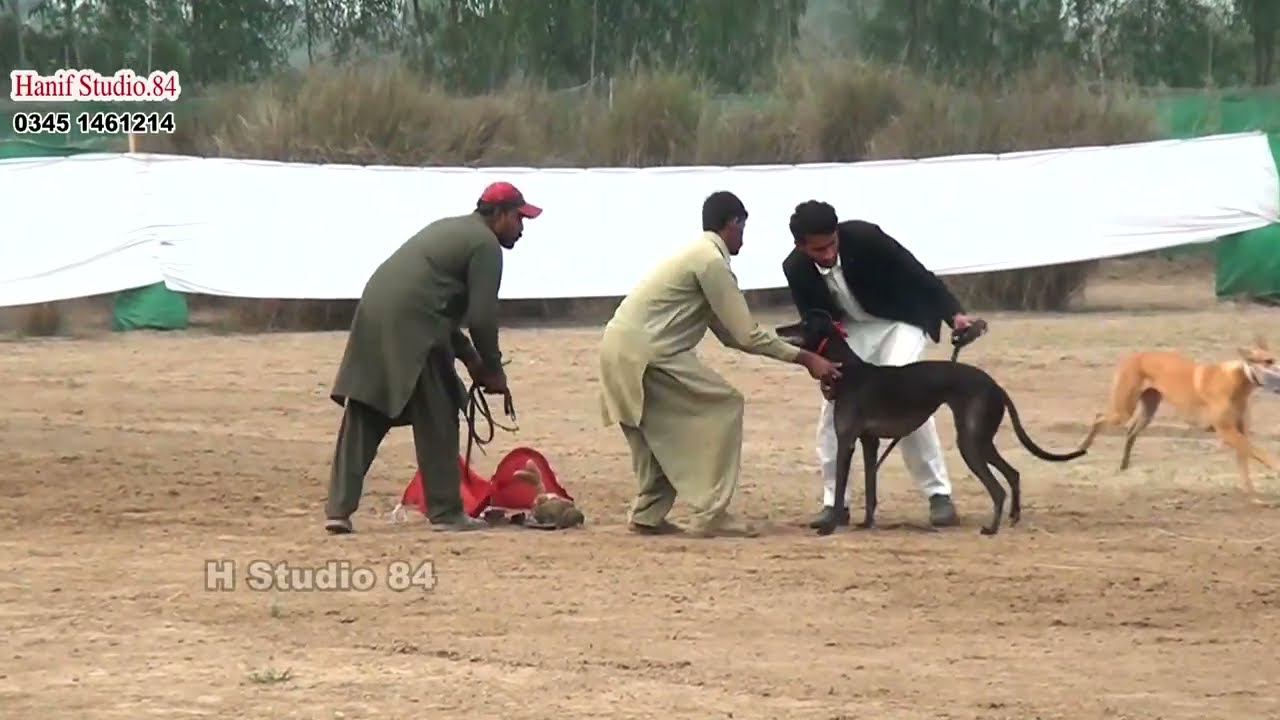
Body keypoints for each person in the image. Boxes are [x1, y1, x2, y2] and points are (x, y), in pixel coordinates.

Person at [599, 190, 843, 538]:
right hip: (649, 354)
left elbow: (730, 334)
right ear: (734, 223)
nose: (745, 236)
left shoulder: (695, 254)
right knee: (724, 405)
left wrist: (794, 348)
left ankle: (648, 512)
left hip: (617, 349)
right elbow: (745, 334)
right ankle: (711, 513)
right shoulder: (712, 262)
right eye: (744, 226)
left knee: (655, 429)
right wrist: (805, 358)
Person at [323, 181, 542, 534]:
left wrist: (471, 359)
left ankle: (338, 509)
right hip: (415, 322)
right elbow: (482, 317)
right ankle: (445, 511)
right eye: (519, 218)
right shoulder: (486, 246)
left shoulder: (454, 229)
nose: (522, 228)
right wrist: (495, 370)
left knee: (368, 409)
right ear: (499, 215)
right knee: (438, 408)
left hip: (376, 310)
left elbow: (432, 303)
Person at [781, 200, 984, 530]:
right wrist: (824, 368)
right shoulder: (795, 269)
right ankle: (835, 504)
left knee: (904, 393)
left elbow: (916, 272)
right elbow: (816, 324)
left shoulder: (865, 237)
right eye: (819, 249)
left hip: (899, 321)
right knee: (832, 413)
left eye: (832, 243)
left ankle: (938, 495)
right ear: (800, 246)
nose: (829, 253)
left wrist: (953, 314)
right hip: (851, 332)